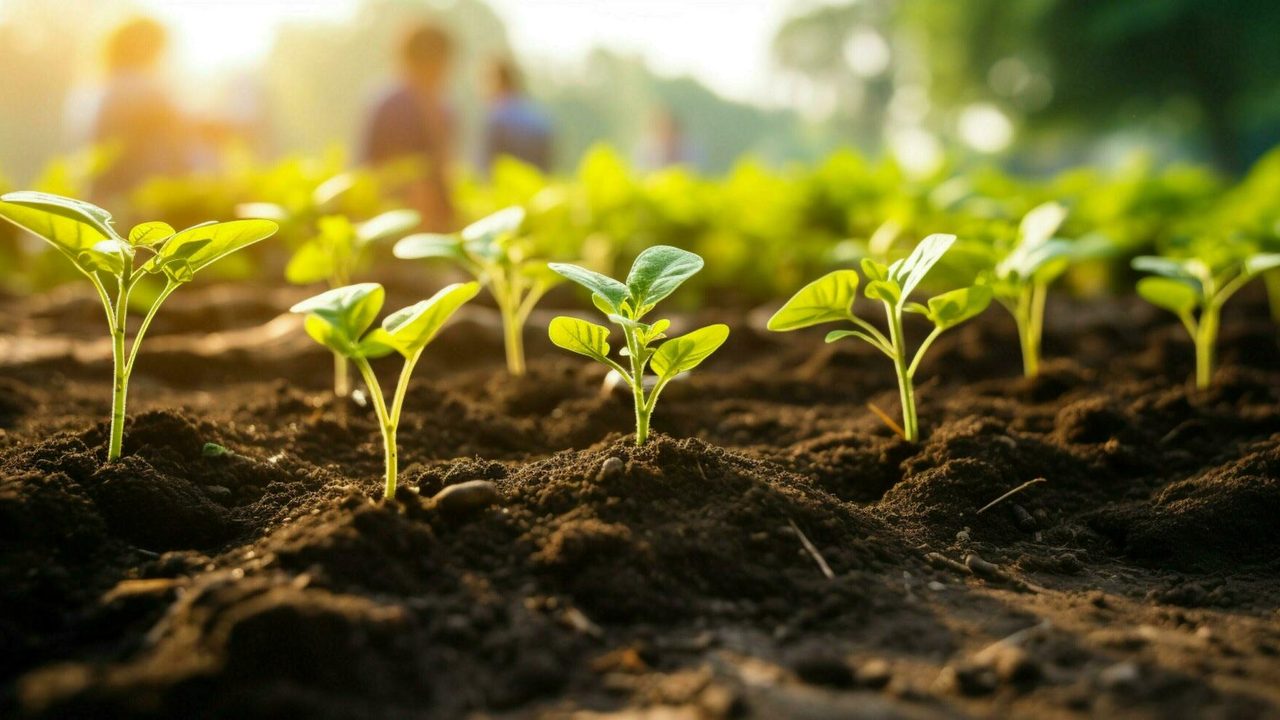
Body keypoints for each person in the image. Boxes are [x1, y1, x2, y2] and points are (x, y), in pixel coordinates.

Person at [361, 23, 457, 231]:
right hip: (399, 225)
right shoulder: (397, 106)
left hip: (422, 226)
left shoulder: (441, 107)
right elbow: (403, 175)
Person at [89, 18, 192, 202]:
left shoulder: (100, 88)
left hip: (109, 193)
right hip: (137, 193)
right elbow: (179, 129)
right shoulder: (139, 88)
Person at [480, 57, 554, 173]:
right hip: (537, 185)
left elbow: (486, 165)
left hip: (505, 187)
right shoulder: (539, 117)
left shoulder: (497, 118)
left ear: (497, 80)